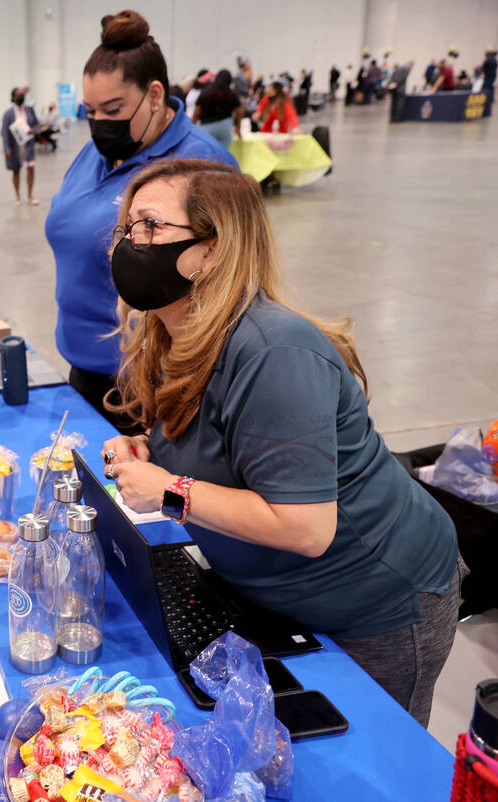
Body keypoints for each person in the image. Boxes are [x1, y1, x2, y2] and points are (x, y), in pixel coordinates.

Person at [100, 158, 462, 728]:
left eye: (150, 226)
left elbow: (305, 526)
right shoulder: (176, 331)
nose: (130, 242)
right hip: (277, 595)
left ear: (211, 250)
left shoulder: (274, 353)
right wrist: (149, 450)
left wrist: (169, 490)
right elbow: (224, 442)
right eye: (125, 228)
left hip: (376, 604)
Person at [44, 9, 235, 431]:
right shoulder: (95, 153)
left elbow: (229, 281)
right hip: (86, 375)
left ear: (153, 95)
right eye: (90, 111)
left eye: (113, 109)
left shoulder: (199, 162)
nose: (100, 124)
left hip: (153, 388)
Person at [1, 86, 40, 205]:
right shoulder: (8, 114)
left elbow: (37, 124)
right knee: (16, 171)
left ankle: (30, 195)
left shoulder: (29, 109)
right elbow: (4, 132)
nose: (21, 96)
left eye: (22, 94)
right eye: (18, 94)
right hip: (15, 148)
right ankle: (17, 196)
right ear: (13, 98)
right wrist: (6, 148)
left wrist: (34, 130)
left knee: (31, 169)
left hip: (28, 146)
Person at [193, 69, 242, 149]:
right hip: (225, 125)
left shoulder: (205, 92)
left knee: (207, 153)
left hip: (206, 126)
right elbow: (239, 111)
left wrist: (193, 126)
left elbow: (197, 111)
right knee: (223, 153)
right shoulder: (231, 94)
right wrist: (238, 127)